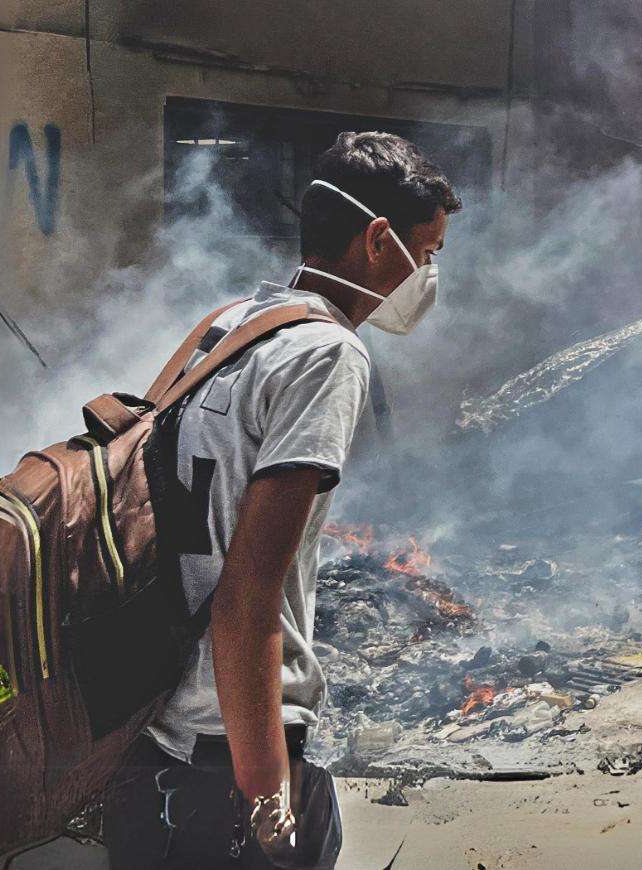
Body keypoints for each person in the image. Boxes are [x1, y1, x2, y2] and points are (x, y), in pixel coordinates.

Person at [101, 131, 460, 868]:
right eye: (425, 255)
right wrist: (266, 793)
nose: (426, 275)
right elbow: (247, 596)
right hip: (227, 744)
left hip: (153, 722)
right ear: (377, 239)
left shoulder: (234, 323)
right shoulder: (328, 354)